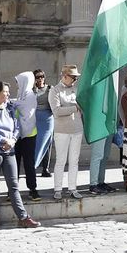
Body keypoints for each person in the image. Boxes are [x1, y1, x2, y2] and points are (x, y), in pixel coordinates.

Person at [0, 80, 37, 229]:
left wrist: (12, 140)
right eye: (5, 91)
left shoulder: (10, 109)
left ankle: (23, 217)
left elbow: (17, 127)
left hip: (9, 151)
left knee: (14, 186)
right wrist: (4, 139)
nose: (8, 94)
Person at [48, 66, 83, 199]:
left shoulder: (76, 89)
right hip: (62, 130)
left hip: (77, 128)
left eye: (76, 77)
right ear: (65, 76)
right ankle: (58, 189)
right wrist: (75, 108)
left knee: (74, 160)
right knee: (61, 160)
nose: (75, 80)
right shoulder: (54, 90)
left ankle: (73, 188)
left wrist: (72, 108)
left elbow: (82, 106)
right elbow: (56, 111)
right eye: (73, 77)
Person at [11, 71, 43, 200]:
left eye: (19, 82)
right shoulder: (21, 94)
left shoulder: (30, 95)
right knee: (15, 163)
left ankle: (33, 189)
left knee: (28, 163)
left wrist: (10, 102)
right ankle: (13, 190)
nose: (17, 85)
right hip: (18, 133)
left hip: (29, 134)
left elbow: (22, 107)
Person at [31, 69, 54, 179]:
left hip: (47, 117)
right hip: (34, 118)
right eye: (37, 77)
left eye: (41, 76)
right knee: (34, 143)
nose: (40, 79)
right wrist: (34, 89)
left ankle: (45, 168)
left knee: (46, 142)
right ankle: (33, 166)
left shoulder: (49, 89)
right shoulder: (31, 90)